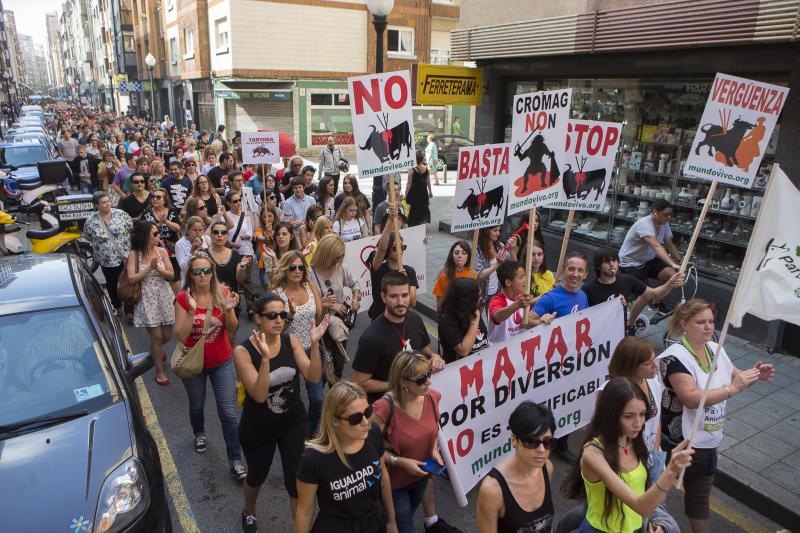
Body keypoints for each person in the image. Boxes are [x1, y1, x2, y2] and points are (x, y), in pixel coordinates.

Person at [658, 299, 774, 533]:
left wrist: (754, 375)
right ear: (684, 324)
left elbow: (735, 379)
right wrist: (734, 389)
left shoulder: (715, 348)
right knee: (657, 491)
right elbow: (690, 397)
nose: (708, 327)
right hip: (676, 443)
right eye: (701, 322)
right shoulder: (674, 357)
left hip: (708, 441)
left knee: (699, 500)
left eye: (711, 321)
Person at [235, 294, 328, 533]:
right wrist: (265, 358)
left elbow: (313, 376)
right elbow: (258, 394)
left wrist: (315, 345)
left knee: (295, 482)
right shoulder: (243, 352)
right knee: (256, 476)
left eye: (283, 315)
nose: (279, 320)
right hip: (258, 428)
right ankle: (249, 510)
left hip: (293, 423)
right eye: (272, 315)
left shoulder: (291, 340)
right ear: (257, 318)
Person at [562, 377, 694, 533]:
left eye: (643, 414)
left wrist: (654, 522)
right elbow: (640, 505)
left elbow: (645, 493)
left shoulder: (634, 439)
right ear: (611, 415)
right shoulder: (593, 453)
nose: (638, 423)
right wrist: (670, 472)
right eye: (629, 416)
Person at [174, 252, 246, 479]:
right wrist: (193, 311)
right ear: (190, 274)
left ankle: (235, 459)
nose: (202, 275)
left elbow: (232, 329)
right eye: (197, 271)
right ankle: (199, 432)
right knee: (197, 405)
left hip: (221, 361)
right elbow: (181, 336)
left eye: (206, 270)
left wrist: (228, 309)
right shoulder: (183, 299)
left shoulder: (223, 293)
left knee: (228, 413)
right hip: (193, 364)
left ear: (212, 273)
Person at [295, 381, 398, 533]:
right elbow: (305, 511)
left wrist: (391, 521)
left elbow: (383, 478)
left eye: (368, 412)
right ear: (334, 420)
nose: (365, 422)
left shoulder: (373, 434)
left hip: (374, 523)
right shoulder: (314, 460)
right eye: (355, 419)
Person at [606, 337, 679, 533]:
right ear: (631, 366)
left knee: (658, 508)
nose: (655, 365)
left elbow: (657, 420)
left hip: (652, 458)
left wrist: (655, 452)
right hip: (628, 465)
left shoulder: (653, 381)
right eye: (648, 363)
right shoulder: (609, 393)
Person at [370, 351, 445, 533]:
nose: (428, 381)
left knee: (403, 521)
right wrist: (400, 461)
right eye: (421, 379)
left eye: (428, 374)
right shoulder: (383, 408)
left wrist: (434, 450)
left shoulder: (433, 397)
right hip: (393, 485)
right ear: (403, 382)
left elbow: (433, 431)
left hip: (420, 478)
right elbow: (367, 448)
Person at [352, 272, 445, 404]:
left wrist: (434, 357)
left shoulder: (415, 319)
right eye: (394, 296)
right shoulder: (371, 338)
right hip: (389, 408)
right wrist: (397, 384)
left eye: (405, 295)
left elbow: (426, 351)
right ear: (383, 297)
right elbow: (360, 383)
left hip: (416, 400)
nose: (401, 302)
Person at [477, 401, 555, 533]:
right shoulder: (492, 490)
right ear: (514, 440)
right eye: (531, 442)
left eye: (547, 442)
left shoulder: (547, 468)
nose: (541, 450)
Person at [269, 251, 324, 435]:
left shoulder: (310, 286)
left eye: (301, 267)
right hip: (288, 350)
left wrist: (325, 305)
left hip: (311, 348)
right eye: (292, 267)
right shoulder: (276, 295)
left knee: (317, 398)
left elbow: (319, 315)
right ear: (285, 270)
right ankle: (296, 433)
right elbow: (274, 330)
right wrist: (290, 315)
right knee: (293, 399)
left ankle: (312, 430)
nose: (297, 271)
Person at [584, 247, 683, 332]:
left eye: (614, 260)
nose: (612, 264)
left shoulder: (626, 280)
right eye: (607, 262)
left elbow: (654, 294)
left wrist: (670, 284)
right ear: (598, 266)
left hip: (619, 334)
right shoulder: (588, 289)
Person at [126, 220, 175, 385]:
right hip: (146, 297)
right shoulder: (134, 253)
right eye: (155, 234)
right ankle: (159, 372)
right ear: (145, 237)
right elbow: (132, 278)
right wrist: (148, 269)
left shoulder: (162, 251)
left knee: (167, 335)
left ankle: (156, 351)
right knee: (156, 336)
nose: (158, 236)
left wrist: (158, 268)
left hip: (164, 295)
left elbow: (171, 274)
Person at [309, 234, 362, 378]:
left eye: (341, 256)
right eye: (337, 257)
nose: (339, 260)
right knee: (323, 368)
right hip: (317, 326)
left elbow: (354, 283)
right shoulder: (308, 273)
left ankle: (335, 392)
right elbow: (305, 303)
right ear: (326, 254)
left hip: (338, 324)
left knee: (338, 363)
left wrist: (356, 297)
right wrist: (327, 304)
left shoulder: (341, 268)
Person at [83, 191, 133, 314]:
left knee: (128, 281)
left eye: (108, 201)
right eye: (103, 202)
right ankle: (116, 306)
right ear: (97, 205)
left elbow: (130, 228)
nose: (107, 204)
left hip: (124, 257)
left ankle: (129, 310)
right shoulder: (91, 220)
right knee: (111, 284)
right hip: (106, 260)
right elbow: (88, 236)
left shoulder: (121, 214)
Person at [367, 206, 418, 319]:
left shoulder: (409, 271)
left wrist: (407, 282)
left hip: (400, 320)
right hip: (380, 320)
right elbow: (381, 248)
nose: (400, 251)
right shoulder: (379, 268)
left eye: (402, 247)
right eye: (395, 248)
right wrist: (390, 220)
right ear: (388, 250)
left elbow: (413, 303)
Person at [488, 261, 555, 345]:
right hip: (499, 354)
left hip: (518, 351)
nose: (526, 279)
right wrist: (517, 305)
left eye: (525, 275)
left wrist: (540, 322)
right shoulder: (497, 300)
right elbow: (497, 317)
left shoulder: (520, 296)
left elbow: (524, 323)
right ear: (508, 282)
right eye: (521, 277)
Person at [619, 199, 682, 284]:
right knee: (646, 294)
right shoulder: (644, 224)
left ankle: (657, 295)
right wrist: (672, 263)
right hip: (631, 263)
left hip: (648, 260)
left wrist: (679, 260)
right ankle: (650, 295)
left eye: (670, 214)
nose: (669, 217)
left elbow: (669, 244)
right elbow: (656, 246)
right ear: (655, 212)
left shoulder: (664, 223)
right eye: (666, 214)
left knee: (673, 276)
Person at [225, 190, 260, 316]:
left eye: (239, 200)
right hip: (232, 252)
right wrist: (231, 244)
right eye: (235, 201)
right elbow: (222, 235)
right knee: (235, 280)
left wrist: (248, 235)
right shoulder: (225, 215)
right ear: (228, 203)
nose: (238, 203)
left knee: (245, 279)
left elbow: (252, 232)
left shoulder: (246, 215)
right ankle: (241, 301)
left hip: (246, 250)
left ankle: (251, 306)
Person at [438, 278, 488, 364]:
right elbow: (464, 351)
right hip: (459, 371)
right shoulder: (446, 321)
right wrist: (474, 321)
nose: (481, 298)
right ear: (466, 300)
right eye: (478, 296)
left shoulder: (473, 311)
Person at [207, 220, 250, 314]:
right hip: (210, 302)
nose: (219, 235)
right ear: (210, 234)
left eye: (223, 232)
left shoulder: (235, 255)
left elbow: (240, 280)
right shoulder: (204, 254)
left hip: (231, 301)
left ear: (227, 235)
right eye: (215, 232)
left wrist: (242, 268)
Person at [142, 187, 182, 289]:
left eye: (158, 197)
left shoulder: (172, 211)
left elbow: (179, 229)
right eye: (153, 197)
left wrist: (166, 222)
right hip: (154, 250)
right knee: (158, 279)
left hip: (171, 251)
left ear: (165, 200)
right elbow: (144, 232)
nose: (155, 199)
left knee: (175, 279)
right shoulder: (147, 213)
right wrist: (159, 224)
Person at [531, 251, 589, 320]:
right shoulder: (550, 298)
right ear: (563, 270)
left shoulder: (583, 295)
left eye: (580, 270)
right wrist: (540, 322)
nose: (575, 274)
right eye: (571, 269)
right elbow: (525, 322)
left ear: (585, 274)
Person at [475, 226, 518, 307]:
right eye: (495, 230)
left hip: (496, 292)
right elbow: (480, 275)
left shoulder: (500, 246)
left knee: (493, 319)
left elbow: (514, 265)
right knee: (477, 319)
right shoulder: (477, 250)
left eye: (499, 230)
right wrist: (497, 264)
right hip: (481, 293)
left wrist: (512, 250)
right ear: (486, 231)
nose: (498, 233)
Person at [432, 240, 477, 313]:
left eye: (464, 253)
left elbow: (475, 299)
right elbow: (439, 306)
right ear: (451, 255)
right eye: (456, 253)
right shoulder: (444, 276)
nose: (460, 255)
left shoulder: (473, 274)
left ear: (468, 256)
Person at [284, 176, 318, 241]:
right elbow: (290, 223)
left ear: (304, 187)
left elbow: (315, 218)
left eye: (300, 187)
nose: (298, 190)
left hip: (310, 232)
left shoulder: (311, 200)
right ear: (292, 189)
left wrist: (301, 222)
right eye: (295, 188)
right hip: (296, 235)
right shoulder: (288, 202)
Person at [405, 150, 433, 226]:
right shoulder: (426, 168)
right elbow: (428, 181)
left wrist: (406, 194)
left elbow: (409, 183)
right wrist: (430, 191)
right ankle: (422, 222)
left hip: (415, 191)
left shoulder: (412, 169)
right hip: (424, 191)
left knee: (414, 208)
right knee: (423, 207)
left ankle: (414, 223)